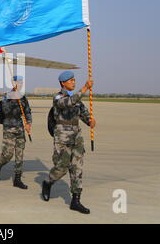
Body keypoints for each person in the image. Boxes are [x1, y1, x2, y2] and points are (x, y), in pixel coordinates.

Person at [41, 71, 96, 215]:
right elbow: (68, 104)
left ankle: (76, 200)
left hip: (76, 137)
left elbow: (83, 112)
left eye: (74, 80)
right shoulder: (59, 97)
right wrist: (84, 88)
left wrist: (90, 120)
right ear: (62, 83)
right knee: (62, 167)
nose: (73, 82)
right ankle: (48, 182)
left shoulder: (77, 99)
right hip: (62, 137)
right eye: (70, 80)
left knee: (77, 168)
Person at [0, 76, 32, 189]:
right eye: (17, 82)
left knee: (19, 155)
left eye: (21, 82)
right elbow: (5, 110)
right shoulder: (6, 96)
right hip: (9, 129)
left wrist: (28, 123)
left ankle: (17, 179)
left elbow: (27, 111)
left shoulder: (23, 97)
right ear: (12, 83)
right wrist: (13, 98)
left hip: (20, 129)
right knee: (8, 154)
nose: (19, 84)